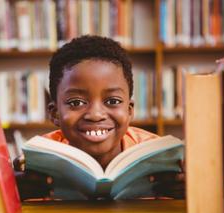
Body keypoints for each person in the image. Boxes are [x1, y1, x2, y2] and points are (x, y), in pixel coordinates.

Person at [14, 35, 184, 200]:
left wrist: (188, 190)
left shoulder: (156, 155)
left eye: (112, 101)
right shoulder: (40, 160)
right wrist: (12, 191)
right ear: (54, 113)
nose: (95, 115)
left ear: (129, 111)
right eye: (76, 103)